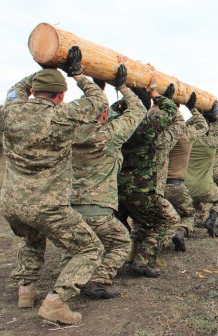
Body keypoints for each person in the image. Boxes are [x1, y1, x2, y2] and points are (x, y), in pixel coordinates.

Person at [1, 46, 106, 324]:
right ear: (61, 96)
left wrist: (43, 67)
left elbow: (15, 89)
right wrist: (77, 74)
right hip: (48, 206)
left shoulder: (10, 111)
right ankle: (57, 302)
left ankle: (25, 291)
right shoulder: (63, 114)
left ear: (33, 92)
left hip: (12, 204)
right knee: (90, 249)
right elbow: (98, 100)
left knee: (33, 238)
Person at [70, 64, 146, 299]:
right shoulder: (109, 135)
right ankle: (98, 280)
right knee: (121, 241)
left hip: (69, 206)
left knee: (78, 245)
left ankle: (70, 282)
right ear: (104, 115)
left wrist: (86, 82)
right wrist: (122, 86)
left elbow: (88, 108)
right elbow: (138, 109)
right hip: (98, 208)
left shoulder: (69, 131)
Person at [117, 77, 183, 278]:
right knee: (169, 220)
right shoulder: (147, 127)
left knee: (141, 222)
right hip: (143, 189)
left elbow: (114, 107)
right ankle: (144, 260)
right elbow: (173, 114)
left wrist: (122, 89)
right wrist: (158, 96)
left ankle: (131, 256)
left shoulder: (118, 125)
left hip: (119, 189)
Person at [166, 93, 209, 252]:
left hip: (157, 185)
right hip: (177, 185)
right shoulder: (186, 134)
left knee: (164, 215)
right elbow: (203, 126)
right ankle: (180, 231)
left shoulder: (162, 131)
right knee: (189, 214)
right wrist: (192, 108)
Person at [185, 101, 218, 238]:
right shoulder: (211, 143)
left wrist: (195, 111)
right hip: (205, 188)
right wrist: (217, 116)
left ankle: (182, 231)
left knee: (188, 212)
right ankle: (211, 220)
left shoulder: (187, 140)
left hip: (187, 188)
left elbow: (186, 125)